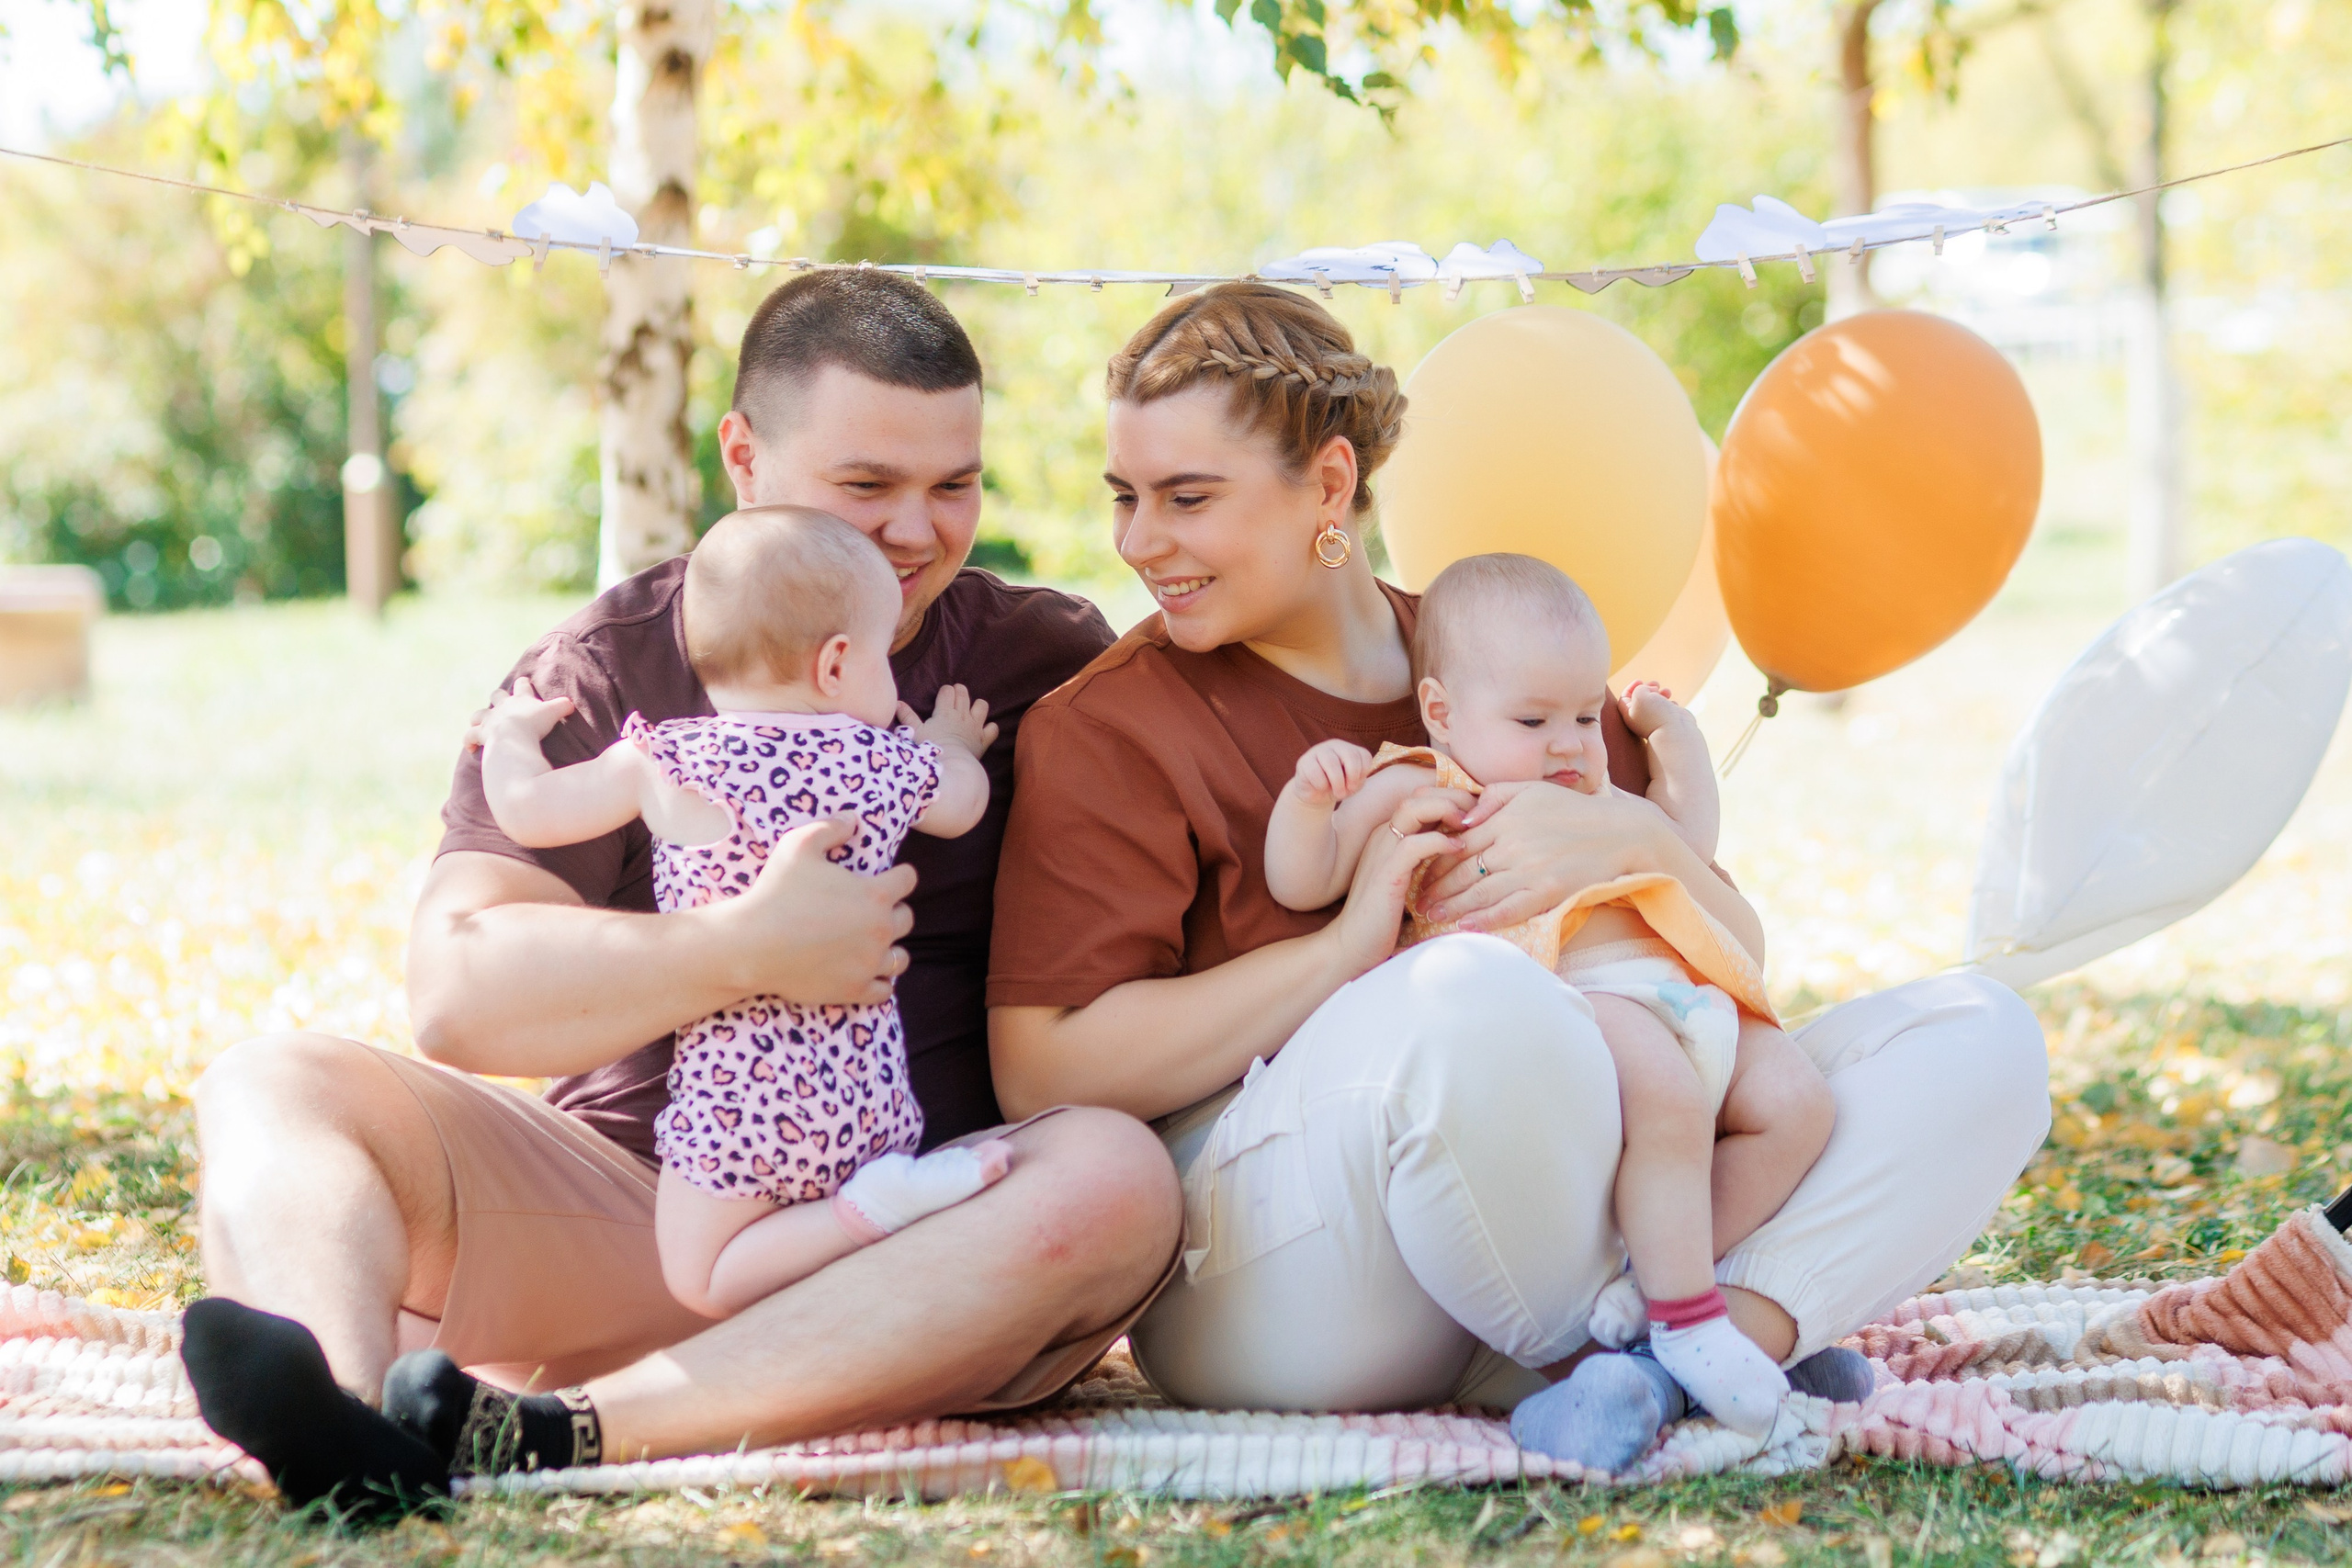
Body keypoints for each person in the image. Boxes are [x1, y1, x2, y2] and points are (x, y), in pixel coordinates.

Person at [986, 281, 2049, 1473]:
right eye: (1126, 497)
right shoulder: (1111, 725)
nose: (1140, 542)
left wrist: (1645, 846)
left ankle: (1640, 1369)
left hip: (1580, 1215)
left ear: (1329, 486)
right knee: (1468, 993)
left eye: (1187, 498)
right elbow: (1047, 1066)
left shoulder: (1517, 654)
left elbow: (1725, 972)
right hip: (1300, 1274)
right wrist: (1346, 951)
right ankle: (1710, 1330)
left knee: (1981, 1038)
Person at [181, 271, 1183, 1516]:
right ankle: (341, 1423)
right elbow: (458, 992)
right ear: (745, 456)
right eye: (866, 486)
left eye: (955, 484)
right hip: (649, 1209)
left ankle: (551, 1434)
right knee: (271, 1080)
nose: (918, 531)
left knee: (1116, 1176)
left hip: (916, 1242)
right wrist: (742, 945)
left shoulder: (1042, 656)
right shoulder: (618, 665)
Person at [1260, 551, 1834, 1438]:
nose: (1569, 742)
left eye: (1583, 713)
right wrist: (1309, 801)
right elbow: (1305, 878)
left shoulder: (1599, 789)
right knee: (1669, 1099)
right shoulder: (1429, 786)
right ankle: (1692, 1325)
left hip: (1681, 992)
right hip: (1571, 1000)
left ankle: (1662, 1289)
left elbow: (1685, 841)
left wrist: (1676, 744)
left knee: (1798, 1103)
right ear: (1443, 712)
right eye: (1534, 718)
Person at [476, 506, 1013, 1323]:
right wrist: (945, 742)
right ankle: (877, 1197)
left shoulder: (668, 760)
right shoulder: (881, 759)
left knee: (701, 1274)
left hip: (736, 1097)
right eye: (878, 658)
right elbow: (965, 803)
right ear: (837, 664)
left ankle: (854, 1216)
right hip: (864, 1088)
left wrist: (512, 734)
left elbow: (528, 811)